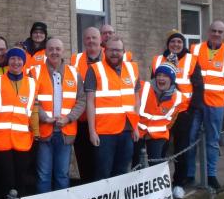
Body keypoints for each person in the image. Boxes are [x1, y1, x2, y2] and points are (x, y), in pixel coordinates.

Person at [186, 21, 224, 191]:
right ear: (208, 32)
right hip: (196, 102)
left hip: (216, 104)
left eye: (220, 31)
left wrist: (221, 92)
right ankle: (189, 174)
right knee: (190, 138)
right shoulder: (195, 49)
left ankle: (211, 176)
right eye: (214, 30)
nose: (216, 34)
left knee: (212, 141)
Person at [0, 48, 38, 199]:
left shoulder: (31, 84)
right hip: (1, 141)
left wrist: (37, 132)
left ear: (24, 62)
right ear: (8, 62)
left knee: (21, 182)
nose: (16, 62)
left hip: (23, 141)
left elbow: (33, 110)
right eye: (13, 59)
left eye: (19, 59)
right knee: (6, 182)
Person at [150, 30, 203, 199]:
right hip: (162, 113)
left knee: (181, 148)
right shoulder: (158, 60)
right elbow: (153, 86)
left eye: (179, 42)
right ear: (168, 44)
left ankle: (179, 183)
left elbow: (198, 87)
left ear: (183, 44)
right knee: (161, 148)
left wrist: (192, 110)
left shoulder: (192, 60)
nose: (176, 44)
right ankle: (160, 183)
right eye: (173, 42)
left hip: (183, 112)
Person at [32, 37, 85, 193]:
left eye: (58, 49)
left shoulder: (74, 73)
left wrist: (68, 118)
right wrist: (44, 117)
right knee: (43, 176)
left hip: (65, 132)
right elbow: (31, 100)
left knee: (62, 175)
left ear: (63, 51)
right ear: (46, 51)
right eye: (51, 49)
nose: (54, 52)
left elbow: (81, 99)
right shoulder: (34, 72)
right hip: (44, 132)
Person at [86, 36, 141, 180]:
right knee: (103, 172)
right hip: (105, 132)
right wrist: (92, 131)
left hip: (127, 130)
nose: (114, 53)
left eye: (118, 50)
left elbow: (136, 99)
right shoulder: (95, 69)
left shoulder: (133, 68)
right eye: (111, 50)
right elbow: (90, 102)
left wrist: (135, 127)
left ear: (124, 51)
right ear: (105, 50)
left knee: (122, 172)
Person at [70, 26, 103, 184]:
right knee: (84, 162)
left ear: (100, 40)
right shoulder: (74, 60)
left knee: (101, 164)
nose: (91, 41)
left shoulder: (109, 58)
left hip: (103, 122)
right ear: (83, 41)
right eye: (87, 38)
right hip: (81, 120)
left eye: (94, 38)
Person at [137, 63, 185, 165]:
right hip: (138, 133)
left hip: (159, 135)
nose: (161, 78)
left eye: (165, 76)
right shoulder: (143, 87)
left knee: (155, 164)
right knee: (136, 164)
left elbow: (173, 119)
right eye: (159, 75)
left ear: (171, 79)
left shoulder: (179, 98)